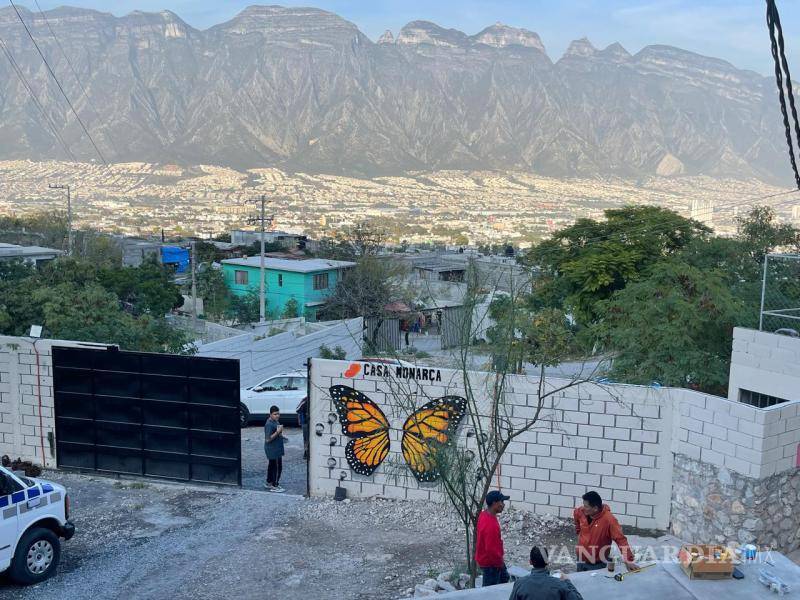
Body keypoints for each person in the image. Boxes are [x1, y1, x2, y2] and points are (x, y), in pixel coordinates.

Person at [573, 491, 638, 572]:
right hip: (580, 559)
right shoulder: (581, 512)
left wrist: (628, 560)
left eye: (586, 506)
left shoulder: (609, 520)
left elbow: (621, 540)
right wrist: (578, 532)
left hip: (597, 564)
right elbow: (576, 515)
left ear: (595, 508)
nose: (583, 508)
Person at [508, 546, 584, 600]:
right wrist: (567, 581)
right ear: (547, 562)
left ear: (530, 562)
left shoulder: (519, 584)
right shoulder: (559, 584)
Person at [475, 490, 510, 586]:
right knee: (489, 590)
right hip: (491, 564)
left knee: (504, 577)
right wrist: (499, 564)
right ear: (494, 503)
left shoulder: (484, 515)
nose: (503, 505)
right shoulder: (491, 525)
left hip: (488, 560)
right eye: (501, 502)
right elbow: (491, 550)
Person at [264, 405, 285, 492]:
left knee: (272, 466)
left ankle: (269, 482)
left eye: (278, 414)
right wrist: (278, 432)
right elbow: (268, 439)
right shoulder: (269, 424)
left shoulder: (275, 421)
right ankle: (274, 485)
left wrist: (281, 435)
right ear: (270, 414)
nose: (277, 415)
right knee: (277, 467)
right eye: (275, 414)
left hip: (276, 448)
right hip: (273, 449)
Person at [296, 396, 309, 460]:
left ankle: (307, 452)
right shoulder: (305, 399)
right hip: (306, 422)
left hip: (306, 423)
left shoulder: (305, 399)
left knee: (306, 438)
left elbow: (297, 410)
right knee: (306, 438)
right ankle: (306, 451)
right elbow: (298, 409)